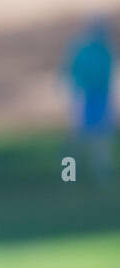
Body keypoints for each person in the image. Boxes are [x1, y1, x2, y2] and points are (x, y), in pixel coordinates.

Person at [63, 18, 114, 184]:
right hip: (84, 97)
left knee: (99, 139)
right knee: (81, 138)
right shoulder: (85, 50)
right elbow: (72, 73)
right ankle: (70, 175)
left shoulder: (105, 50)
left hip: (97, 98)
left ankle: (99, 173)